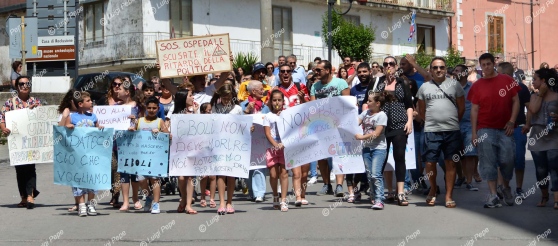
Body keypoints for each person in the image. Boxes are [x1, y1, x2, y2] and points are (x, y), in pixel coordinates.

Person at [468, 53, 520, 208]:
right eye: (483, 65)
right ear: (480, 66)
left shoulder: (507, 80)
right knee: (487, 162)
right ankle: (492, 195)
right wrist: (474, 132)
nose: (486, 67)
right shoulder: (477, 86)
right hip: (485, 129)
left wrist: (512, 121)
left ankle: (505, 187)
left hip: (505, 128)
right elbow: (474, 110)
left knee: (508, 159)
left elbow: (516, 101)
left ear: (494, 64)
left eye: (488, 64)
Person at [362, 56, 414, 206]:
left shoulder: (402, 82)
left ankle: (400, 193)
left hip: (399, 124)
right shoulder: (377, 82)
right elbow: (368, 102)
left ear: (396, 66)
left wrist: (409, 121)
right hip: (380, 126)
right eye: (386, 64)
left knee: (399, 157)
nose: (388, 66)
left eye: (391, 63)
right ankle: (378, 192)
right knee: (379, 159)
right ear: (382, 67)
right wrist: (367, 119)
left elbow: (408, 104)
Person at [417, 57, 465, 208]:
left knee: (450, 163)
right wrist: (432, 122)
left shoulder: (455, 85)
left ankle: (449, 195)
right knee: (430, 162)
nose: (439, 70)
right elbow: (421, 110)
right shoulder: (424, 87)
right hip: (432, 131)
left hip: (451, 131)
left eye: (442, 67)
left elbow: (461, 108)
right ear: (430, 70)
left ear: (445, 69)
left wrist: (451, 121)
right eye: (435, 68)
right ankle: (433, 188)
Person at [310, 60, 350, 197]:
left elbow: (347, 103)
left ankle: (339, 185)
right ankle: (327, 184)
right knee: (321, 157)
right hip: (321, 126)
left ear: (327, 70)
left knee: (338, 154)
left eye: (319, 70)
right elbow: (313, 107)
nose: (316, 72)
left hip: (338, 126)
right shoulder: (315, 86)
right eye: (315, 70)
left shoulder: (341, 83)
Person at [0, 76, 41, 209]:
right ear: (17, 86)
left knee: (30, 167)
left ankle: (30, 195)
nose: (25, 86)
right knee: (20, 169)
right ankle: (23, 196)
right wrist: (4, 128)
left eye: (27, 83)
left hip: (31, 141)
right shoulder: (10, 103)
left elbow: (43, 118)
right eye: (22, 84)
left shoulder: (36, 102)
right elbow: (2, 117)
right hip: (17, 142)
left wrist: (36, 110)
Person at [273, 64, 311, 205]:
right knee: (295, 170)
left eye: (288, 71)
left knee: (305, 171)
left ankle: (303, 194)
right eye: (282, 71)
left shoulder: (300, 86)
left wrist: (302, 99)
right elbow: (270, 109)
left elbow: (310, 107)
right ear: (279, 74)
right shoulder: (276, 90)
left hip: (303, 131)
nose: (285, 74)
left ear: (292, 73)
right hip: (286, 134)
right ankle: (297, 197)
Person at [65, 91, 104, 216]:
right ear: (80, 104)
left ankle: (91, 204)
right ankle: (81, 205)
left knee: (92, 178)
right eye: (88, 101)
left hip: (91, 153)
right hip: (78, 153)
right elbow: (65, 128)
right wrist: (69, 126)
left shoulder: (93, 116)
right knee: (79, 179)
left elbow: (98, 128)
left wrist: (100, 128)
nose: (91, 102)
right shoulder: (72, 117)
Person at [496, 62, 531, 199]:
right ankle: (503, 187)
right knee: (502, 160)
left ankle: (519, 188)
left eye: (499, 73)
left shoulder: (521, 88)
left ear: (506, 74)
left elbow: (529, 108)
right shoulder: (497, 88)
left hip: (518, 127)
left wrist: (527, 124)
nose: (497, 75)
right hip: (501, 128)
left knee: (519, 160)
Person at [526, 68, 558, 209]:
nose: (533, 82)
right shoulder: (534, 96)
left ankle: (557, 199)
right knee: (541, 169)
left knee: (555, 167)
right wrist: (541, 94)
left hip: (554, 136)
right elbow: (532, 110)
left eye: (535, 79)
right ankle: (544, 196)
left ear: (543, 81)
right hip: (537, 137)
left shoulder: (557, 96)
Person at [356, 92, 390, 209]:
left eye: (370, 101)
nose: (367, 103)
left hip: (378, 148)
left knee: (376, 174)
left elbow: (376, 133)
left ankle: (380, 200)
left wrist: (361, 137)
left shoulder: (382, 115)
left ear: (378, 103)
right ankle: (374, 196)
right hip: (366, 148)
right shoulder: (365, 113)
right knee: (370, 175)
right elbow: (355, 122)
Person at [211, 84, 242, 214]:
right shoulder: (215, 108)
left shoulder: (238, 109)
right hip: (219, 144)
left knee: (231, 174)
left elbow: (242, 126)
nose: (226, 99)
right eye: (223, 97)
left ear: (232, 97)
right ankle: (222, 202)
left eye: (228, 97)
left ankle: (229, 202)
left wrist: (248, 128)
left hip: (234, 145)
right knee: (221, 172)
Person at [115, 81, 145, 211]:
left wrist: (134, 122)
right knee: (123, 172)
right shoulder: (116, 107)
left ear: (127, 92)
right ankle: (125, 201)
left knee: (134, 172)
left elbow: (144, 122)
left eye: (119, 88)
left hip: (135, 142)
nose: (117, 90)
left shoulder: (137, 107)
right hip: (120, 143)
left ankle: (135, 198)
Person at [167, 89, 199, 214]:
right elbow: (167, 127)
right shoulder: (175, 114)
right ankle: (184, 199)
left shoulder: (194, 112)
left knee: (190, 176)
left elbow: (201, 128)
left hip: (192, 148)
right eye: (190, 95)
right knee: (181, 177)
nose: (193, 98)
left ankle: (189, 205)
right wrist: (168, 133)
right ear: (183, 98)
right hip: (178, 149)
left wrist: (196, 114)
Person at [240, 81, 270, 202]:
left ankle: (260, 193)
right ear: (253, 91)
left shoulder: (265, 107)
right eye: (261, 89)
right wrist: (247, 111)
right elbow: (237, 122)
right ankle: (252, 192)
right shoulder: (242, 105)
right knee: (248, 167)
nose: (263, 91)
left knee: (259, 166)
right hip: (246, 140)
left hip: (260, 141)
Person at [452, 65, 479, 191]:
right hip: (453, 124)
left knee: (469, 154)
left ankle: (469, 180)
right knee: (455, 154)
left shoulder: (473, 87)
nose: (454, 72)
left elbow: (478, 105)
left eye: (457, 70)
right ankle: (460, 176)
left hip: (469, 124)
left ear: (464, 73)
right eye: (454, 70)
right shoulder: (450, 87)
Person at [264, 90, 289, 212]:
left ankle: (283, 200)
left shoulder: (287, 114)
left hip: (284, 148)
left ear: (283, 101)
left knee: (284, 173)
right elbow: (267, 133)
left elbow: (291, 130)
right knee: (273, 174)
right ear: (270, 102)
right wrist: (275, 144)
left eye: (279, 100)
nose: (277, 102)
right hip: (272, 148)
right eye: (274, 100)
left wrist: (283, 144)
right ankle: (275, 195)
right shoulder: (268, 116)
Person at [57, 89, 81, 212]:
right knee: (74, 177)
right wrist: (65, 117)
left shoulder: (85, 112)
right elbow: (58, 130)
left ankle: (86, 202)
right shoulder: (65, 113)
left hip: (84, 150)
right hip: (71, 150)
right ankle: (78, 202)